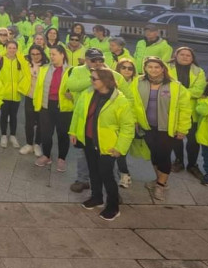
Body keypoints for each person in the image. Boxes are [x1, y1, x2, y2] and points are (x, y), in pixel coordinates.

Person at [69, 68, 135, 221]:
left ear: (105, 81)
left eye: (94, 79)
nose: (91, 81)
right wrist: (73, 131)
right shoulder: (88, 93)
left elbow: (128, 127)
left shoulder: (119, 100)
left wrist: (120, 148)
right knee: (93, 171)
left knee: (107, 175)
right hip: (89, 140)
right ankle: (96, 197)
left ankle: (113, 207)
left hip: (108, 145)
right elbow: (78, 113)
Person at [128, 56, 192, 201]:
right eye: (150, 67)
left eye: (157, 67)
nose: (153, 70)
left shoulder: (175, 86)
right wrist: (134, 121)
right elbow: (132, 103)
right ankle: (160, 180)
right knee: (154, 154)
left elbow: (185, 109)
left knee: (163, 155)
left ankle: (161, 185)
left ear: (163, 68)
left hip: (167, 128)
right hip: (147, 127)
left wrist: (182, 129)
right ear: (145, 68)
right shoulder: (137, 82)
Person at [168, 47, 207, 178]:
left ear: (192, 58)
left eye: (188, 55)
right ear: (176, 55)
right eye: (182, 54)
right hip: (173, 108)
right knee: (175, 137)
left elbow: (199, 90)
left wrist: (179, 93)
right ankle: (179, 161)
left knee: (193, 140)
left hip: (191, 110)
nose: (185, 57)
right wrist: (185, 93)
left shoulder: (198, 71)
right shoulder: (167, 68)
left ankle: (192, 165)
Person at [34, 46, 71, 171]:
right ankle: (47, 155)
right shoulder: (44, 69)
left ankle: (62, 158)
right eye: (50, 54)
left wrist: (72, 96)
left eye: (54, 54)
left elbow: (76, 90)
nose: (51, 56)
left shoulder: (70, 71)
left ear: (62, 55)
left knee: (63, 134)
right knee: (46, 133)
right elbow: (39, 88)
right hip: (46, 105)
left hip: (63, 107)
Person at [0, 41, 29, 148]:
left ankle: (13, 135)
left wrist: (21, 87)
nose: (12, 50)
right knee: (4, 115)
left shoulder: (20, 60)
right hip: (4, 94)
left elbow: (26, 73)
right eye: (9, 48)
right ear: (6, 48)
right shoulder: (0, 60)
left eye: (14, 48)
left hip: (16, 94)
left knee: (14, 116)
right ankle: (4, 135)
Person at [113, 58, 138, 188]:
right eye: (124, 67)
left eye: (130, 68)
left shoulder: (138, 83)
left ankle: (124, 173)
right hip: (115, 120)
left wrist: (135, 120)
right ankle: (124, 173)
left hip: (132, 121)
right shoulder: (113, 81)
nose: (127, 70)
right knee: (118, 148)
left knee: (123, 148)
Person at [21, 44, 47, 157]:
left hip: (41, 98)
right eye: (33, 54)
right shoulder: (26, 64)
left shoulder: (47, 66)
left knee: (41, 122)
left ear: (41, 54)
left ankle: (37, 144)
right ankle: (29, 143)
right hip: (29, 96)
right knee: (29, 122)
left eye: (38, 54)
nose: (35, 56)